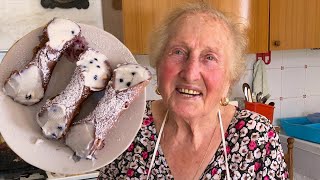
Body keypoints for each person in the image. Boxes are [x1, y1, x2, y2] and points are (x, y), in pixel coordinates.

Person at [99, 2, 288, 180]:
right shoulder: (128, 126)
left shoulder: (258, 137)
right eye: (179, 52)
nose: (190, 74)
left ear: (229, 78)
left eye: (209, 57)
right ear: (158, 62)